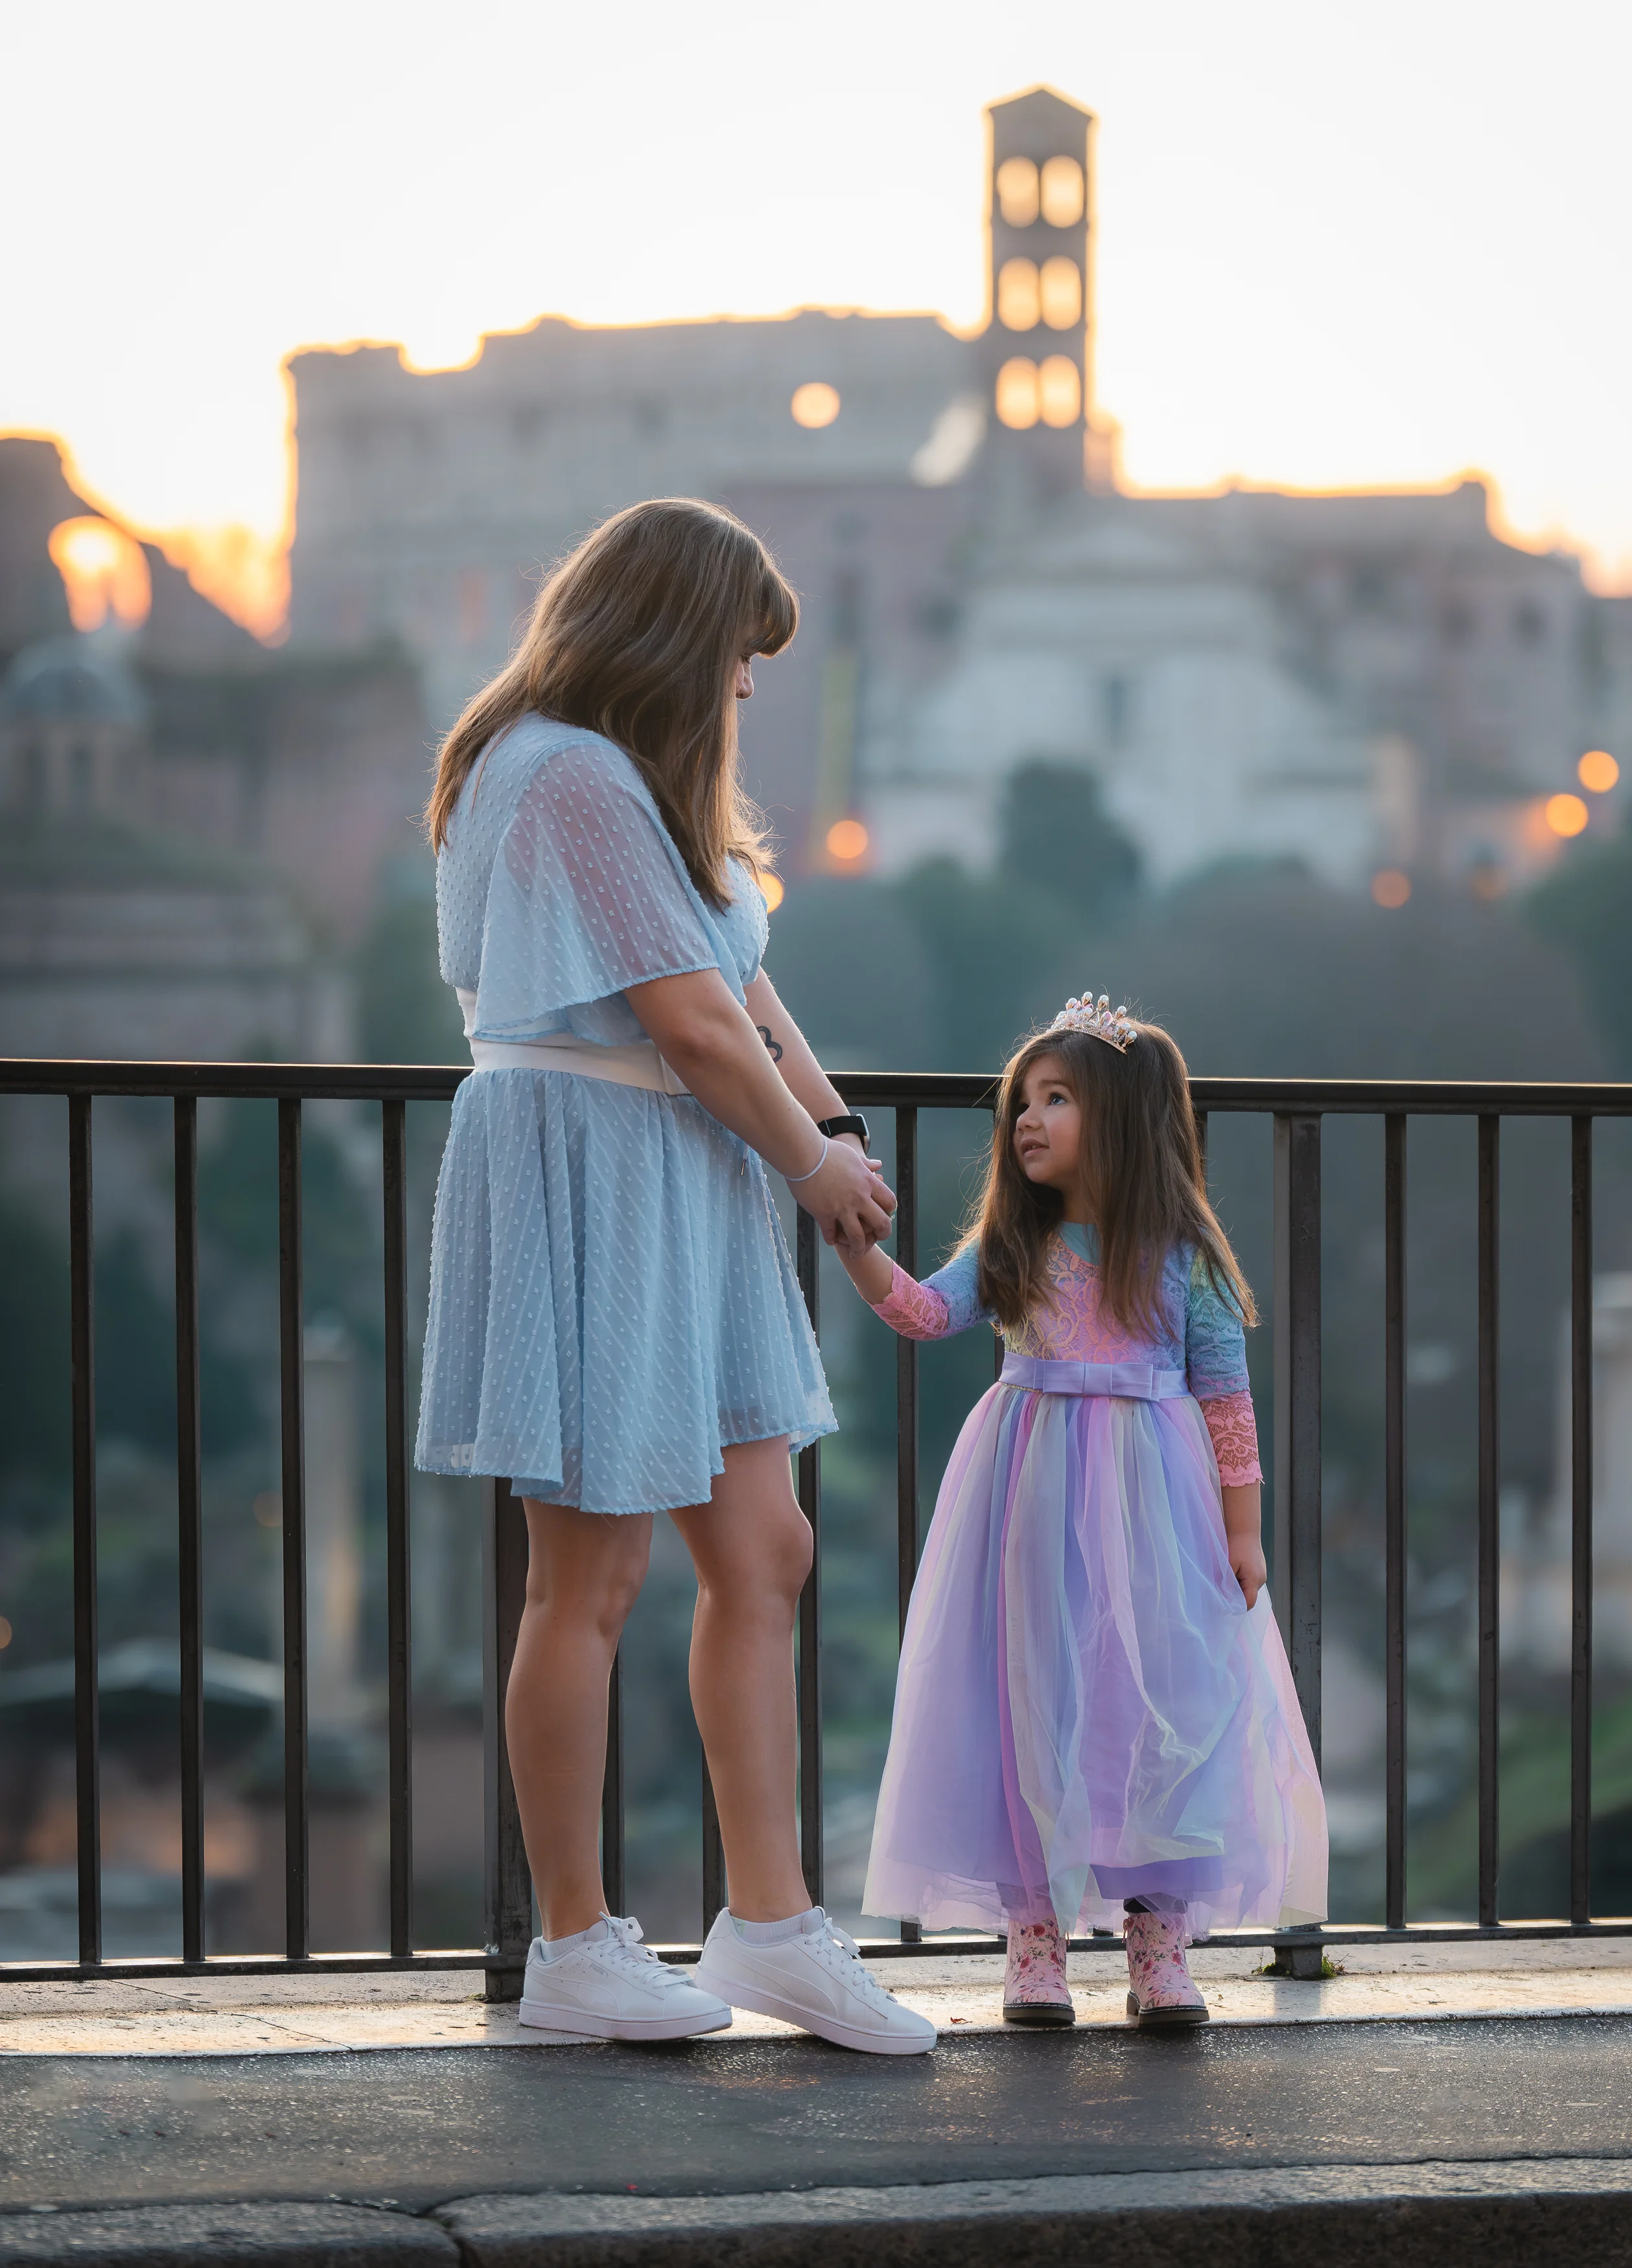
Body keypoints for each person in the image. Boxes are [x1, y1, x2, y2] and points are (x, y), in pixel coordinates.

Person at [416, 498, 935, 2055]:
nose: (748, 684)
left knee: (762, 1548)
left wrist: (831, 1141)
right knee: (587, 1578)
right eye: (736, 652)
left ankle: (769, 1927)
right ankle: (574, 1943)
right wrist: (810, 1168)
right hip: (595, 1163)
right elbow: (692, 1022)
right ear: (670, 635)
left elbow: (740, 991)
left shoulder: (612, 777)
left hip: (676, 1171)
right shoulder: (565, 771)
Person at [837, 995, 1327, 2028]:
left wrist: (1243, 1532)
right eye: (1024, 1101)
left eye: (1057, 1099)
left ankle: (1160, 1946)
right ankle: (1035, 1944)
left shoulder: (1182, 1255)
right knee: (1031, 1701)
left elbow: (1227, 1398)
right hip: (1029, 1498)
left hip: (1158, 1506)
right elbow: (926, 1312)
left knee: (1155, 1704)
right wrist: (855, 1248)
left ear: (1122, 1118)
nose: (1028, 1118)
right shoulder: (1015, 1243)